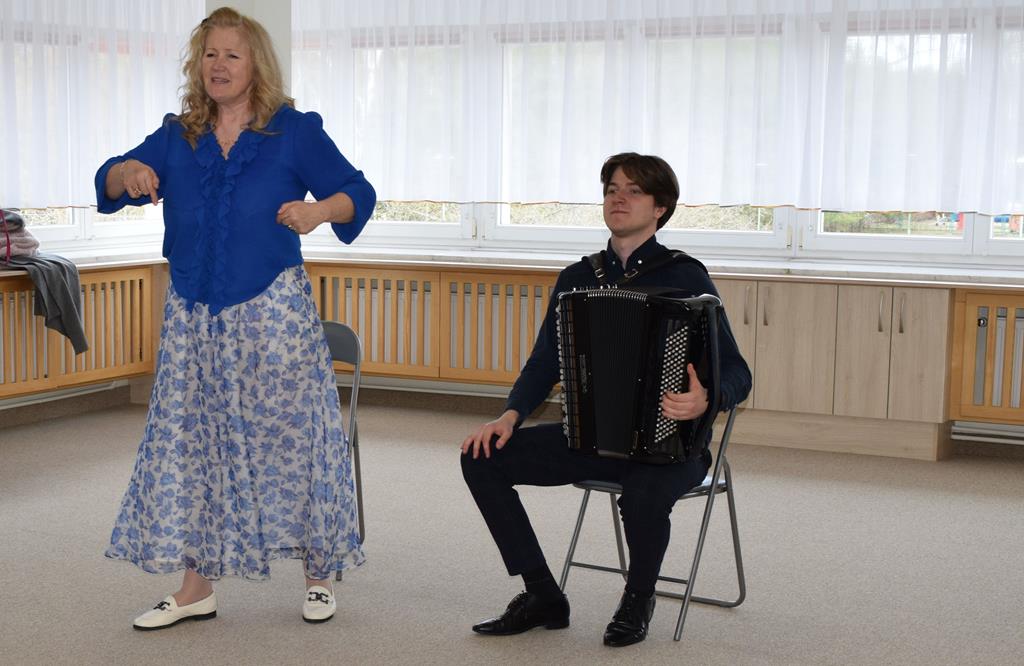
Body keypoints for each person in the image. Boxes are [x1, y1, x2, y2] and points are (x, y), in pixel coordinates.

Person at [96, 7, 375, 630]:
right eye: (209, 54)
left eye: (232, 55)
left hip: (273, 312)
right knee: (195, 445)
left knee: (294, 440)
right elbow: (108, 182)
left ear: (256, 66)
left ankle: (320, 576)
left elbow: (359, 193)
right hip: (193, 318)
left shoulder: (293, 132)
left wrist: (318, 211)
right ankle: (196, 588)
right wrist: (126, 172)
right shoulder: (177, 135)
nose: (218, 66)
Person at [460, 152, 751, 647]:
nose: (619, 198)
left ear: (660, 208)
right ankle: (542, 595)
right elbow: (545, 361)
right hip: (590, 439)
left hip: (670, 446)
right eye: (612, 189)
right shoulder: (578, 277)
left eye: (634, 191)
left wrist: (707, 399)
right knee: (481, 458)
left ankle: (638, 598)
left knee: (643, 495)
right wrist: (509, 416)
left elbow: (739, 373)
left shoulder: (686, 277)